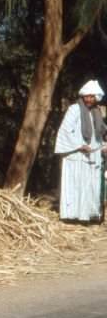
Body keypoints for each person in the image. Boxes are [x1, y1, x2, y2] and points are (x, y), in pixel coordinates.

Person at [53, 79, 107, 223]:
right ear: (83, 96)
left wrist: (103, 147)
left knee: (90, 186)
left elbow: (98, 135)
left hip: (92, 156)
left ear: (96, 97)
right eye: (87, 96)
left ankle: (87, 216)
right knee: (75, 185)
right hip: (76, 155)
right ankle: (71, 217)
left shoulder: (96, 112)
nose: (89, 99)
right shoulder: (74, 109)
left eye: (92, 96)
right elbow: (64, 132)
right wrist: (79, 145)